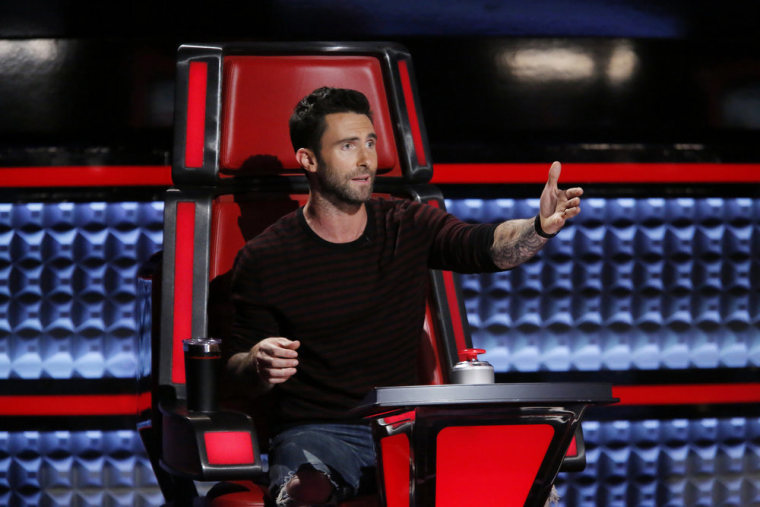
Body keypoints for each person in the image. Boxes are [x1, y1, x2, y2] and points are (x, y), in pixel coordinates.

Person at [224, 86, 582, 506]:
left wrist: (537, 227)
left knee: (528, 487)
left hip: (405, 424)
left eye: (370, 143)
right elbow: (235, 371)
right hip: (318, 431)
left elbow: (486, 246)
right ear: (308, 159)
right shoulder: (265, 256)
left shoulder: (407, 223)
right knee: (306, 493)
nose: (365, 160)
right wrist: (258, 362)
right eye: (348, 145)